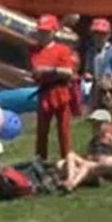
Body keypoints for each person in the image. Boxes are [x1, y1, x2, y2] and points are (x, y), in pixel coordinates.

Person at [30, 14, 80, 164]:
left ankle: (67, 159)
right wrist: (55, 72)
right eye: (40, 32)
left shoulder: (62, 49)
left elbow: (69, 73)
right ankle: (40, 160)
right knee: (42, 130)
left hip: (61, 91)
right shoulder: (35, 51)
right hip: (45, 92)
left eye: (46, 31)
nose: (42, 35)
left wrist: (49, 71)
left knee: (64, 130)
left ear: (53, 32)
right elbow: (35, 72)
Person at [58, 109, 112, 192]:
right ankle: (70, 179)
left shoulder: (111, 139)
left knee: (86, 166)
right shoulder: (93, 141)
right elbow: (88, 155)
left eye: (99, 124)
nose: (95, 127)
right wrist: (90, 157)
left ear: (107, 125)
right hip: (94, 164)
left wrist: (108, 158)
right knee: (70, 156)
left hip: (107, 164)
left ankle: (73, 184)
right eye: (94, 124)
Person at [84, 18, 112, 107]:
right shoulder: (91, 52)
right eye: (96, 34)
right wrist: (88, 74)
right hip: (97, 88)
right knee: (97, 111)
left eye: (102, 34)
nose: (98, 37)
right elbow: (88, 69)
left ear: (108, 35)